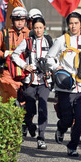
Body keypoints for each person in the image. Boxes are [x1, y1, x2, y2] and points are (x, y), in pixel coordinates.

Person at [46, 12, 81, 156]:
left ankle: (72, 146)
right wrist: (56, 67)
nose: (73, 26)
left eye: (76, 23)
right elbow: (49, 58)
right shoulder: (61, 40)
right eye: (71, 23)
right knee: (67, 119)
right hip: (65, 86)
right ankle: (61, 128)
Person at [12, 17, 52, 149]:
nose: (38, 30)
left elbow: (57, 57)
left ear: (44, 28)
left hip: (44, 80)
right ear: (32, 29)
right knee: (29, 109)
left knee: (43, 105)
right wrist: (25, 66)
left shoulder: (49, 41)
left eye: (40, 27)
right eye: (36, 28)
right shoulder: (27, 41)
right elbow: (14, 55)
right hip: (30, 80)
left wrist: (50, 68)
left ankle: (41, 137)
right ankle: (29, 124)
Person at [0, 7, 30, 103]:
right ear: (12, 20)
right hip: (7, 72)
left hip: (24, 71)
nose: (20, 22)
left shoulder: (29, 34)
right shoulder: (3, 33)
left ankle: (22, 118)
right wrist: (3, 54)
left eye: (22, 20)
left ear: (25, 20)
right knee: (6, 99)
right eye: (17, 20)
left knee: (24, 100)